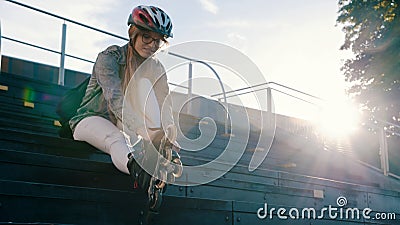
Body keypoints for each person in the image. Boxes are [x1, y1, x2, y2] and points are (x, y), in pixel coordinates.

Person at [69, 5, 179, 191]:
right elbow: (115, 98)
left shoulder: (157, 68)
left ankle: (157, 147)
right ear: (132, 32)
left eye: (158, 41)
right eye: (146, 37)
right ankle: (139, 171)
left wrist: (168, 132)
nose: (152, 45)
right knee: (116, 138)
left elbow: (164, 102)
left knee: (145, 84)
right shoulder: (109, 57)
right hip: (92, 119)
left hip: (129, 126)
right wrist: (140, 129)